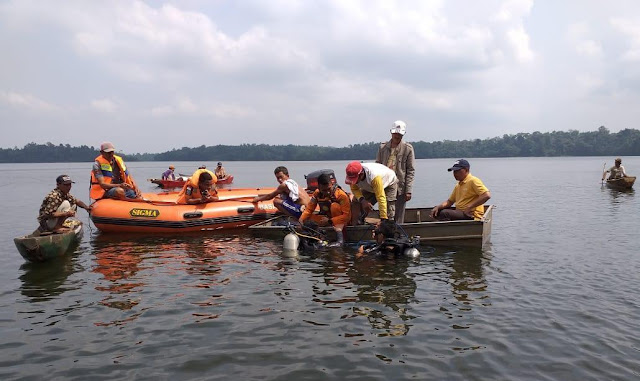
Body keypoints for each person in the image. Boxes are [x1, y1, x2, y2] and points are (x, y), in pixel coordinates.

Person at [376, 120, 415, 223]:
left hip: (400, 186)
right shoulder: (382, 147)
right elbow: (377, 166)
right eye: (395, 133)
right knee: (384, 213)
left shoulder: (408, 149)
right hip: (384, 184)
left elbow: (410, 170)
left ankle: (398, 235)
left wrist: (408, 190)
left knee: (398, 215)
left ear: (403, 134)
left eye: (399, 134)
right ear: (391, 132)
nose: (397, 136)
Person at [299, 173, 351, 245]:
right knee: (308, 218)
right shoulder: (317, 194)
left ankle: (340, 236)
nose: (327, 192)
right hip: (327, 218)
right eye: (324, 190)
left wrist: (330, 221)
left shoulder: (341, 195)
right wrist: (301, 220)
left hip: (340, 221)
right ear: (319, 188)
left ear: (332, 185)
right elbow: (309, 209)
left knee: (334, 206)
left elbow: (347, 216)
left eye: (329, 189)